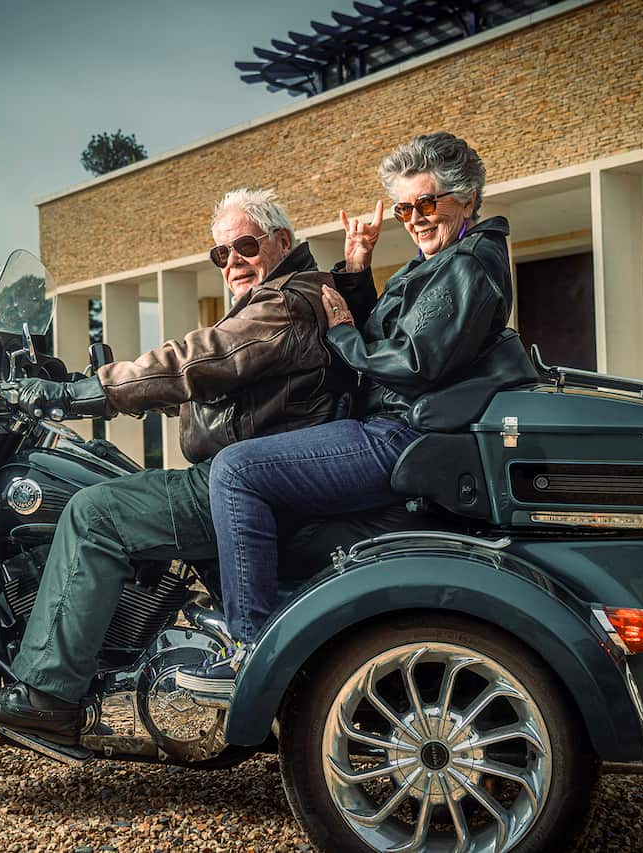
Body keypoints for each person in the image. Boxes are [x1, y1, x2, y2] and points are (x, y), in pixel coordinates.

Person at [0, 188, 376, 746]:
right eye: (220, 254)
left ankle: (47, 695)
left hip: (243, 483)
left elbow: (197, 360)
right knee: (111, 482)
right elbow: (216, 381)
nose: (231, 261)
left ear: (281, 241)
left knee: (94, 512)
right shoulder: (288, 295)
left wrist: (84, 393)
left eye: (244, 246)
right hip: (258, 474)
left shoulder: (285, 304)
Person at [175, 132, 515, 696]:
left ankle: (250, 649)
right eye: (405, 208)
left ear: (467, 198)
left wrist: (342, 338)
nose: (413, 219)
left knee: (236, 470)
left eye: (426, 205)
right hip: (395, 426)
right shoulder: (449, 260)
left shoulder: (470, 265)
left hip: (398, 433)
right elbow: (397, 332)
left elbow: (412, 361)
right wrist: (357, 270)